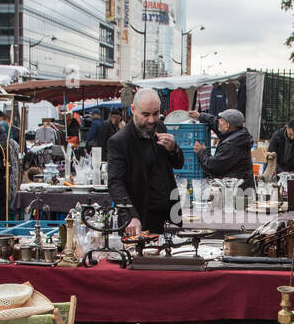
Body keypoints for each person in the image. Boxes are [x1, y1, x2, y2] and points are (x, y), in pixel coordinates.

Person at [107, 88, 184, 234]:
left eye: (156, 113)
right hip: (141, 215)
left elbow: (178, 164)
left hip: (166, 215)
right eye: (145, 115)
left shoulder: (159, 126)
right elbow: (115, 183)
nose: (151, 120)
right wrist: (131, 215)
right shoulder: (120, 141)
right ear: (133, 110)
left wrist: (173, 149)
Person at [189, 107, 255, 189]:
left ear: (227, 125)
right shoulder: (237, 134)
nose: (218, 122)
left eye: (221, 120)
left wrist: (201, 152)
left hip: (238, 191)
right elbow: (215, 122)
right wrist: (200, 116)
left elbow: (213, 166)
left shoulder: (232, 145)